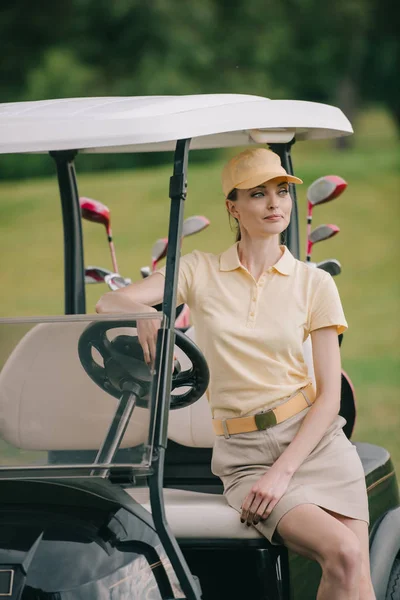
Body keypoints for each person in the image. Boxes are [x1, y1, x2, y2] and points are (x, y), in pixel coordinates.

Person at [96, 147, 374, 600]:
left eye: (282, 191)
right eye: (258, 193)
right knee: (344, 553)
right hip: (245, 456)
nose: (274, 204)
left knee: (352, 566)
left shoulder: (315, 284)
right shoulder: (198, 270)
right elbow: (108, 303)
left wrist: (284, 473)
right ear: (233, 207)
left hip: (317, 445)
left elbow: (328, 398)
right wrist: (142, 311)